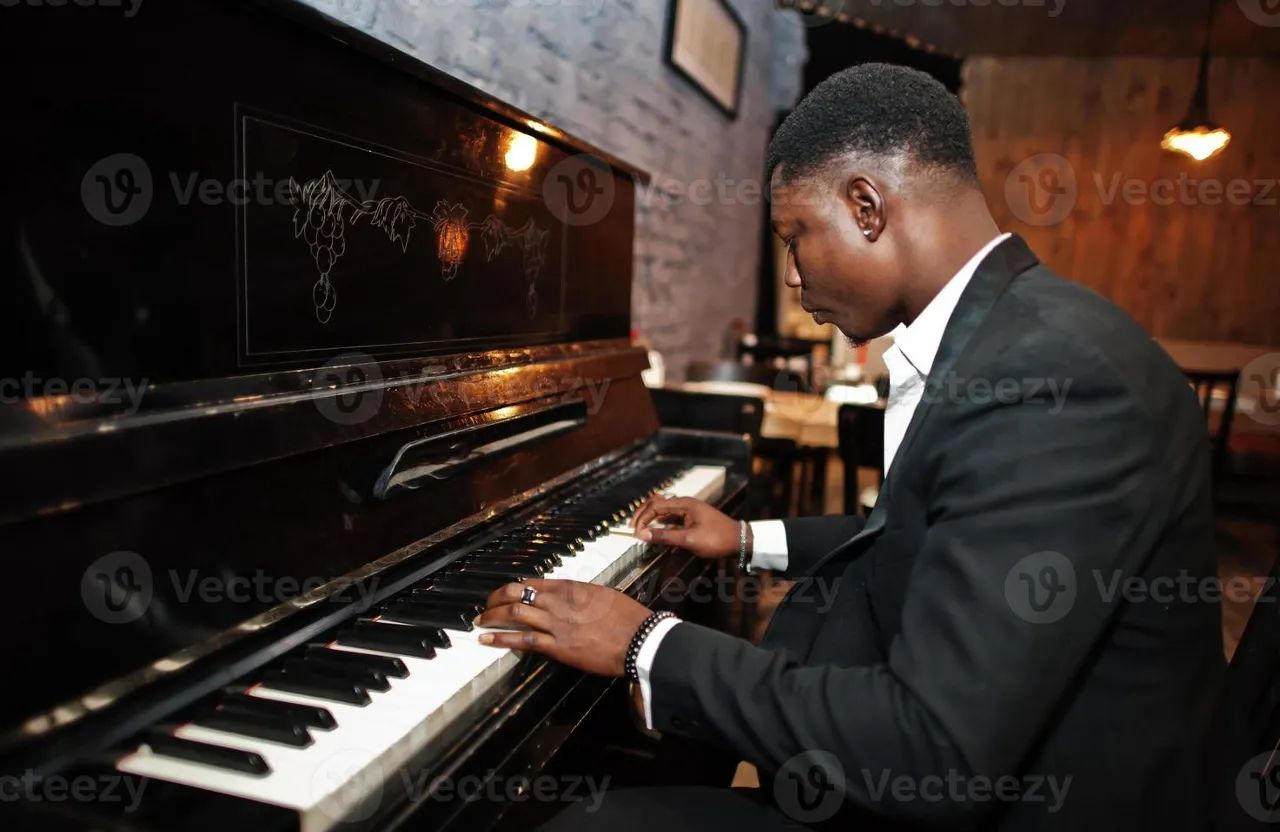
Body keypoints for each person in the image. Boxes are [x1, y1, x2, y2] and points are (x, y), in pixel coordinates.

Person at [474, 63, 1223, 830]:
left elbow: (934, 748)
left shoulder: (1052, 380)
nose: (793, 277)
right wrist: (746, 538)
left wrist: (645, 644)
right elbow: (933, 531)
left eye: (795, 238)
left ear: (866, 207)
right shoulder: (1006, 335)